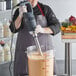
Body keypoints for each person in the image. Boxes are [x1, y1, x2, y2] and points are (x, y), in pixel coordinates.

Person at [9, 0, 60, 76]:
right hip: (25, 52)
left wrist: (42, 30)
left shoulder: (45, 9)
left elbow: (57, 26)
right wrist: (20, 15)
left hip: (44, 51)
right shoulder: (19, 10)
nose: (31, 1)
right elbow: (14, 28)